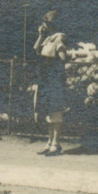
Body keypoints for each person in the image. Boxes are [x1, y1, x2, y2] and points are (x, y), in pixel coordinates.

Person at [34, 14, 68, 155]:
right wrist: (40, 36)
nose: (43, 26)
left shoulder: (59, 38)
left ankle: (56, 143)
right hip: (46, 78)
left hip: (54, 78)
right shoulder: (47, 39)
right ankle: (49, 142)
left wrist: (49, 65)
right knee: (48, 112)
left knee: (56, 112)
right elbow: (36, 50)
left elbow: (62, 59)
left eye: (45, 24)